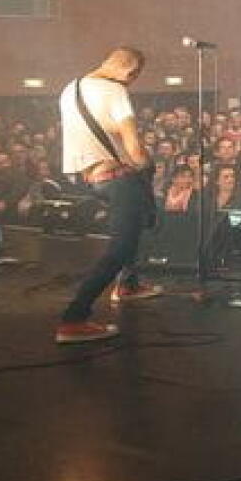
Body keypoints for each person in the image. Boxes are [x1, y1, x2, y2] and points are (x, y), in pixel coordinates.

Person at [56, 47, 162, 344]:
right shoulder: (115, 91)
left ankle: (128, 284)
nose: (131, 82)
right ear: (130, 71)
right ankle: (73, 319)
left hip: (92, 178)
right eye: (134, 77)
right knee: (120, 247)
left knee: (135, 224)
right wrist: (148, 165)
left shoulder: (71, 89)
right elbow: (134, 149)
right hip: (118, 177)